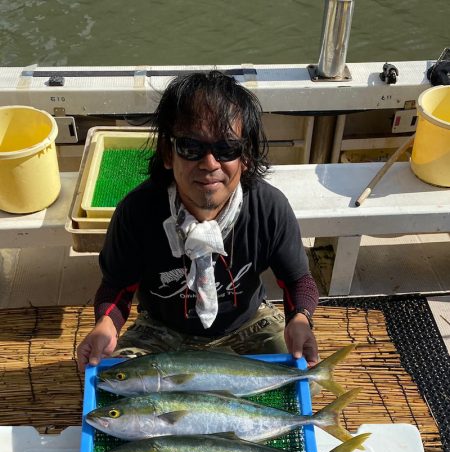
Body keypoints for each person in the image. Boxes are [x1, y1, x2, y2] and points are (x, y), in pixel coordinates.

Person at [77, 70, 320, 371]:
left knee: (298, 376)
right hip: (161, 330)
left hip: (249, 325)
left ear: (245, 156)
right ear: (168, 153)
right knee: (114, 383)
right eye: (191, 147)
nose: (209, 163)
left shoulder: (269, 207)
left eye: (227, 148)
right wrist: (106, 324)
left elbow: (298, 280)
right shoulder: (136, 212)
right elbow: (118, 285)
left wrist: (300, 318)